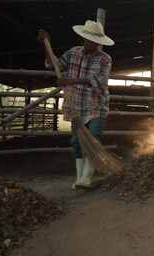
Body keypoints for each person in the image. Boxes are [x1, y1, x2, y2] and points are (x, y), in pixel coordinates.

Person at [38, 20, 114, 189]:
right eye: (89, 40)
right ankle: (79, 178)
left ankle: (87, 178)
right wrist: (46, 44)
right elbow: (54, 65)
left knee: (93, 138)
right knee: (76, 141)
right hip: (76, 105)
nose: (91, 43)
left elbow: (100, 81)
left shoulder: (105, 59)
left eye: (95, 42)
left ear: (99, 43)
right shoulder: (73, 53)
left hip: (96, 105)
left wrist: (71, 80)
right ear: (84, 38)